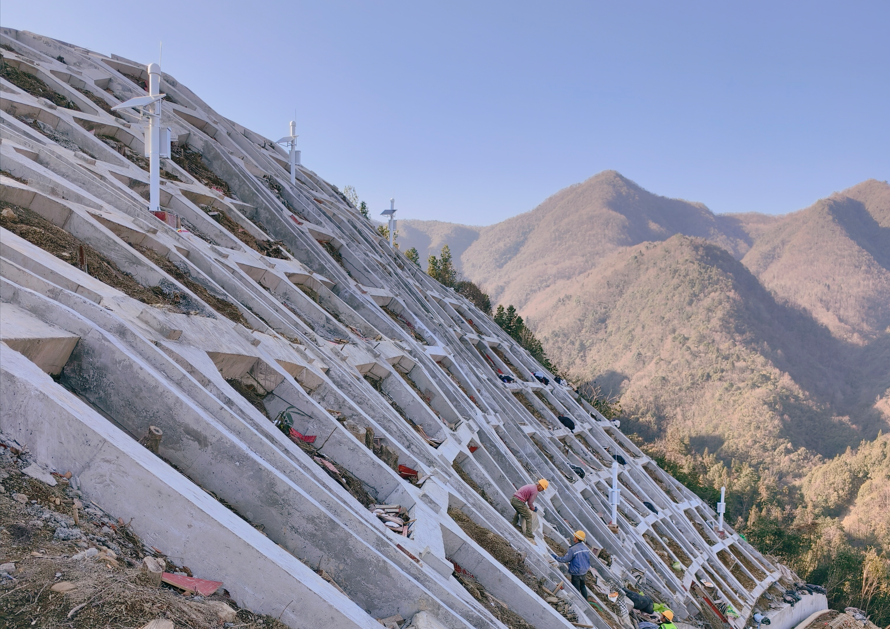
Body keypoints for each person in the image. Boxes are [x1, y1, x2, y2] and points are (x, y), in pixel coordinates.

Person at [551, 530, 592, 598]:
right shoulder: (585, 548)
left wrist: (556, 557)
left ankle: (577, 600)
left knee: (575, 589)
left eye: (574, 536)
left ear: (576, 538)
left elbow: (565, 559)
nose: (573, 537)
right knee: (582, 585)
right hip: (584, 570)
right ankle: (586, 600)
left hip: (576, 571)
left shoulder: (573, 549)